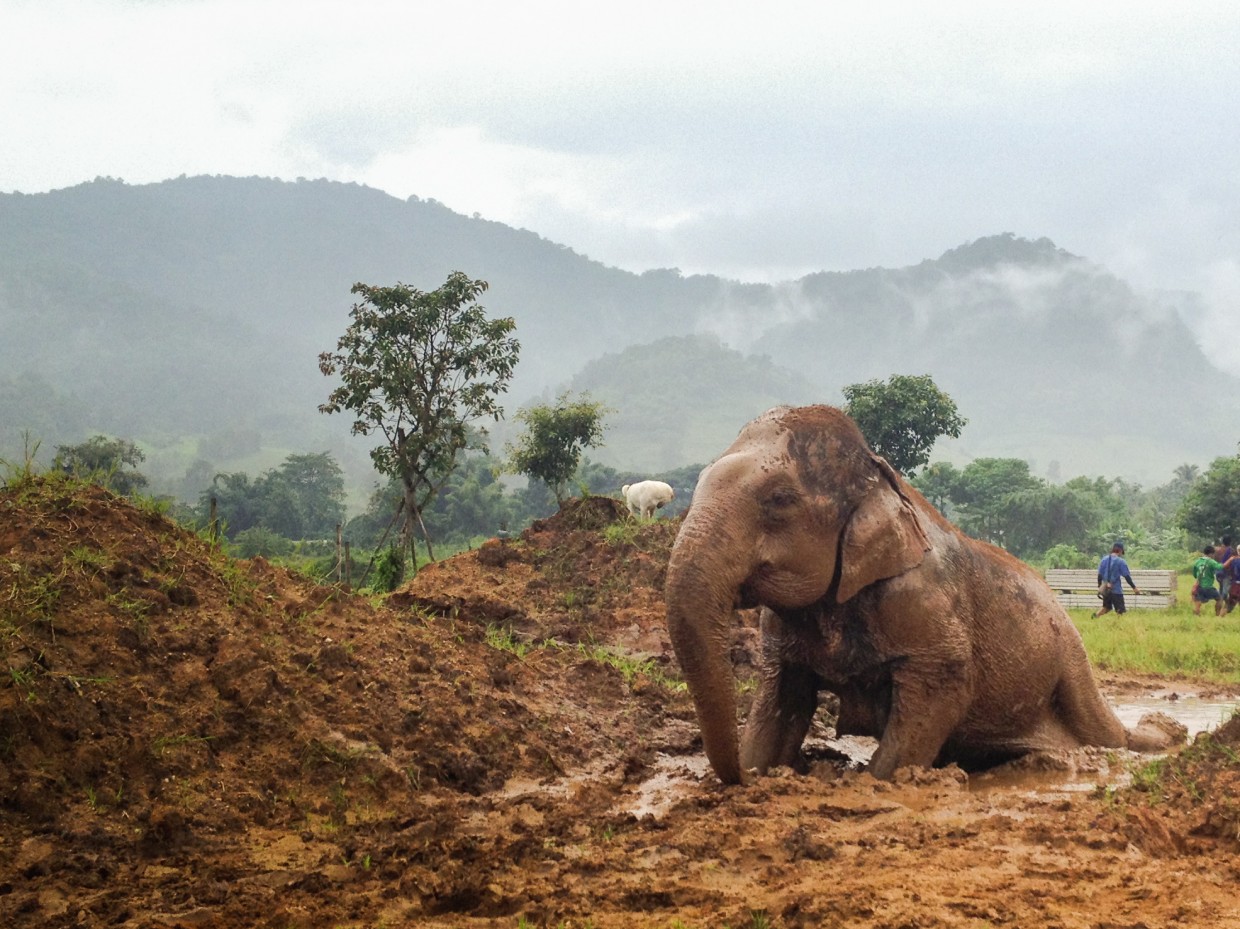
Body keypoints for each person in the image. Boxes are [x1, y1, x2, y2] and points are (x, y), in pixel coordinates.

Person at [1190, 545, 1240, 616]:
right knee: (1219, 599)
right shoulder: (1211, 562)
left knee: (1198, 603)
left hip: (1199, 586)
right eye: (1213, 554)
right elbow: (1221, 567)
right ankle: (1217, 615)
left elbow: (1195, 574)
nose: (1214, 556)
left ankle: (1196, 617)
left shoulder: (1197, 561)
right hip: (1208, 587)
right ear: (1211, 554)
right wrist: (1230, 559)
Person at [1092, 541, 1138, 618]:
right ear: (1120, 551)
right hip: (1116, 590)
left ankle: (1095, 617)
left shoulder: (1104, 559)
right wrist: (1134, 588)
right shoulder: (1121, 562)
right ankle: (1118, 625)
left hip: (1106, 589)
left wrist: (1100, 586)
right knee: (1120, 611)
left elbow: (1099, 575)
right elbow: (1127, 576)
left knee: (1106, 608)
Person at [1217, 535, 1235, 605]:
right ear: (1230, 542)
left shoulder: (1218, 550)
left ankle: (1224, 603)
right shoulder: (1231, 551)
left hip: (1218, 573)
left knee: (1221, 588)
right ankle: (1221, 604)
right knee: (1225, 591)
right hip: (1227, 573)